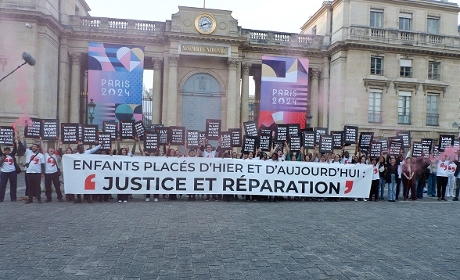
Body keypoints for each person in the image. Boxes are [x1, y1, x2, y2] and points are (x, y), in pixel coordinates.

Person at [41, 138, 63, 202]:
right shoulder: (45, 155)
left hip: (54, 172)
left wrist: (59, 142)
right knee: (48, 187)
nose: (51, 149)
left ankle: (60, 197)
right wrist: (41, 141)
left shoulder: (55, 155)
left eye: (52, 149)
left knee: (57, 186)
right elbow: (42, 148)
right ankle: (48, 198)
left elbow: (58, 149)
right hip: (47, 173)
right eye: (50, 148)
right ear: (48, 150)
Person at [0, 137, 19, 202]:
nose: (7, 151)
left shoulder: (12, 155)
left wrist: (15, 141)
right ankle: (1, 198)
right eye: (6, 150)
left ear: (9, 151)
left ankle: (13, 198)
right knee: (2, 186)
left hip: (12, 172)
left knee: (13, 185)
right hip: (4, 172)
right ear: (4, 151)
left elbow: (15, 149)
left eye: (8, 150)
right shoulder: (2, 155)